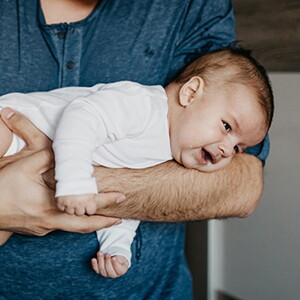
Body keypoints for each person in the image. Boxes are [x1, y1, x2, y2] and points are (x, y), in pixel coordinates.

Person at [0, 0, 270, 298]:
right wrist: (74, 180)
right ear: (191, 92)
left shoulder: (168, 150)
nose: (226, 150)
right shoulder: (144, 105)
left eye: (238, 148)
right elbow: (82, 116)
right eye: (227, 128)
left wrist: (117, 248)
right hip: (12, 124)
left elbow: (128, 209)